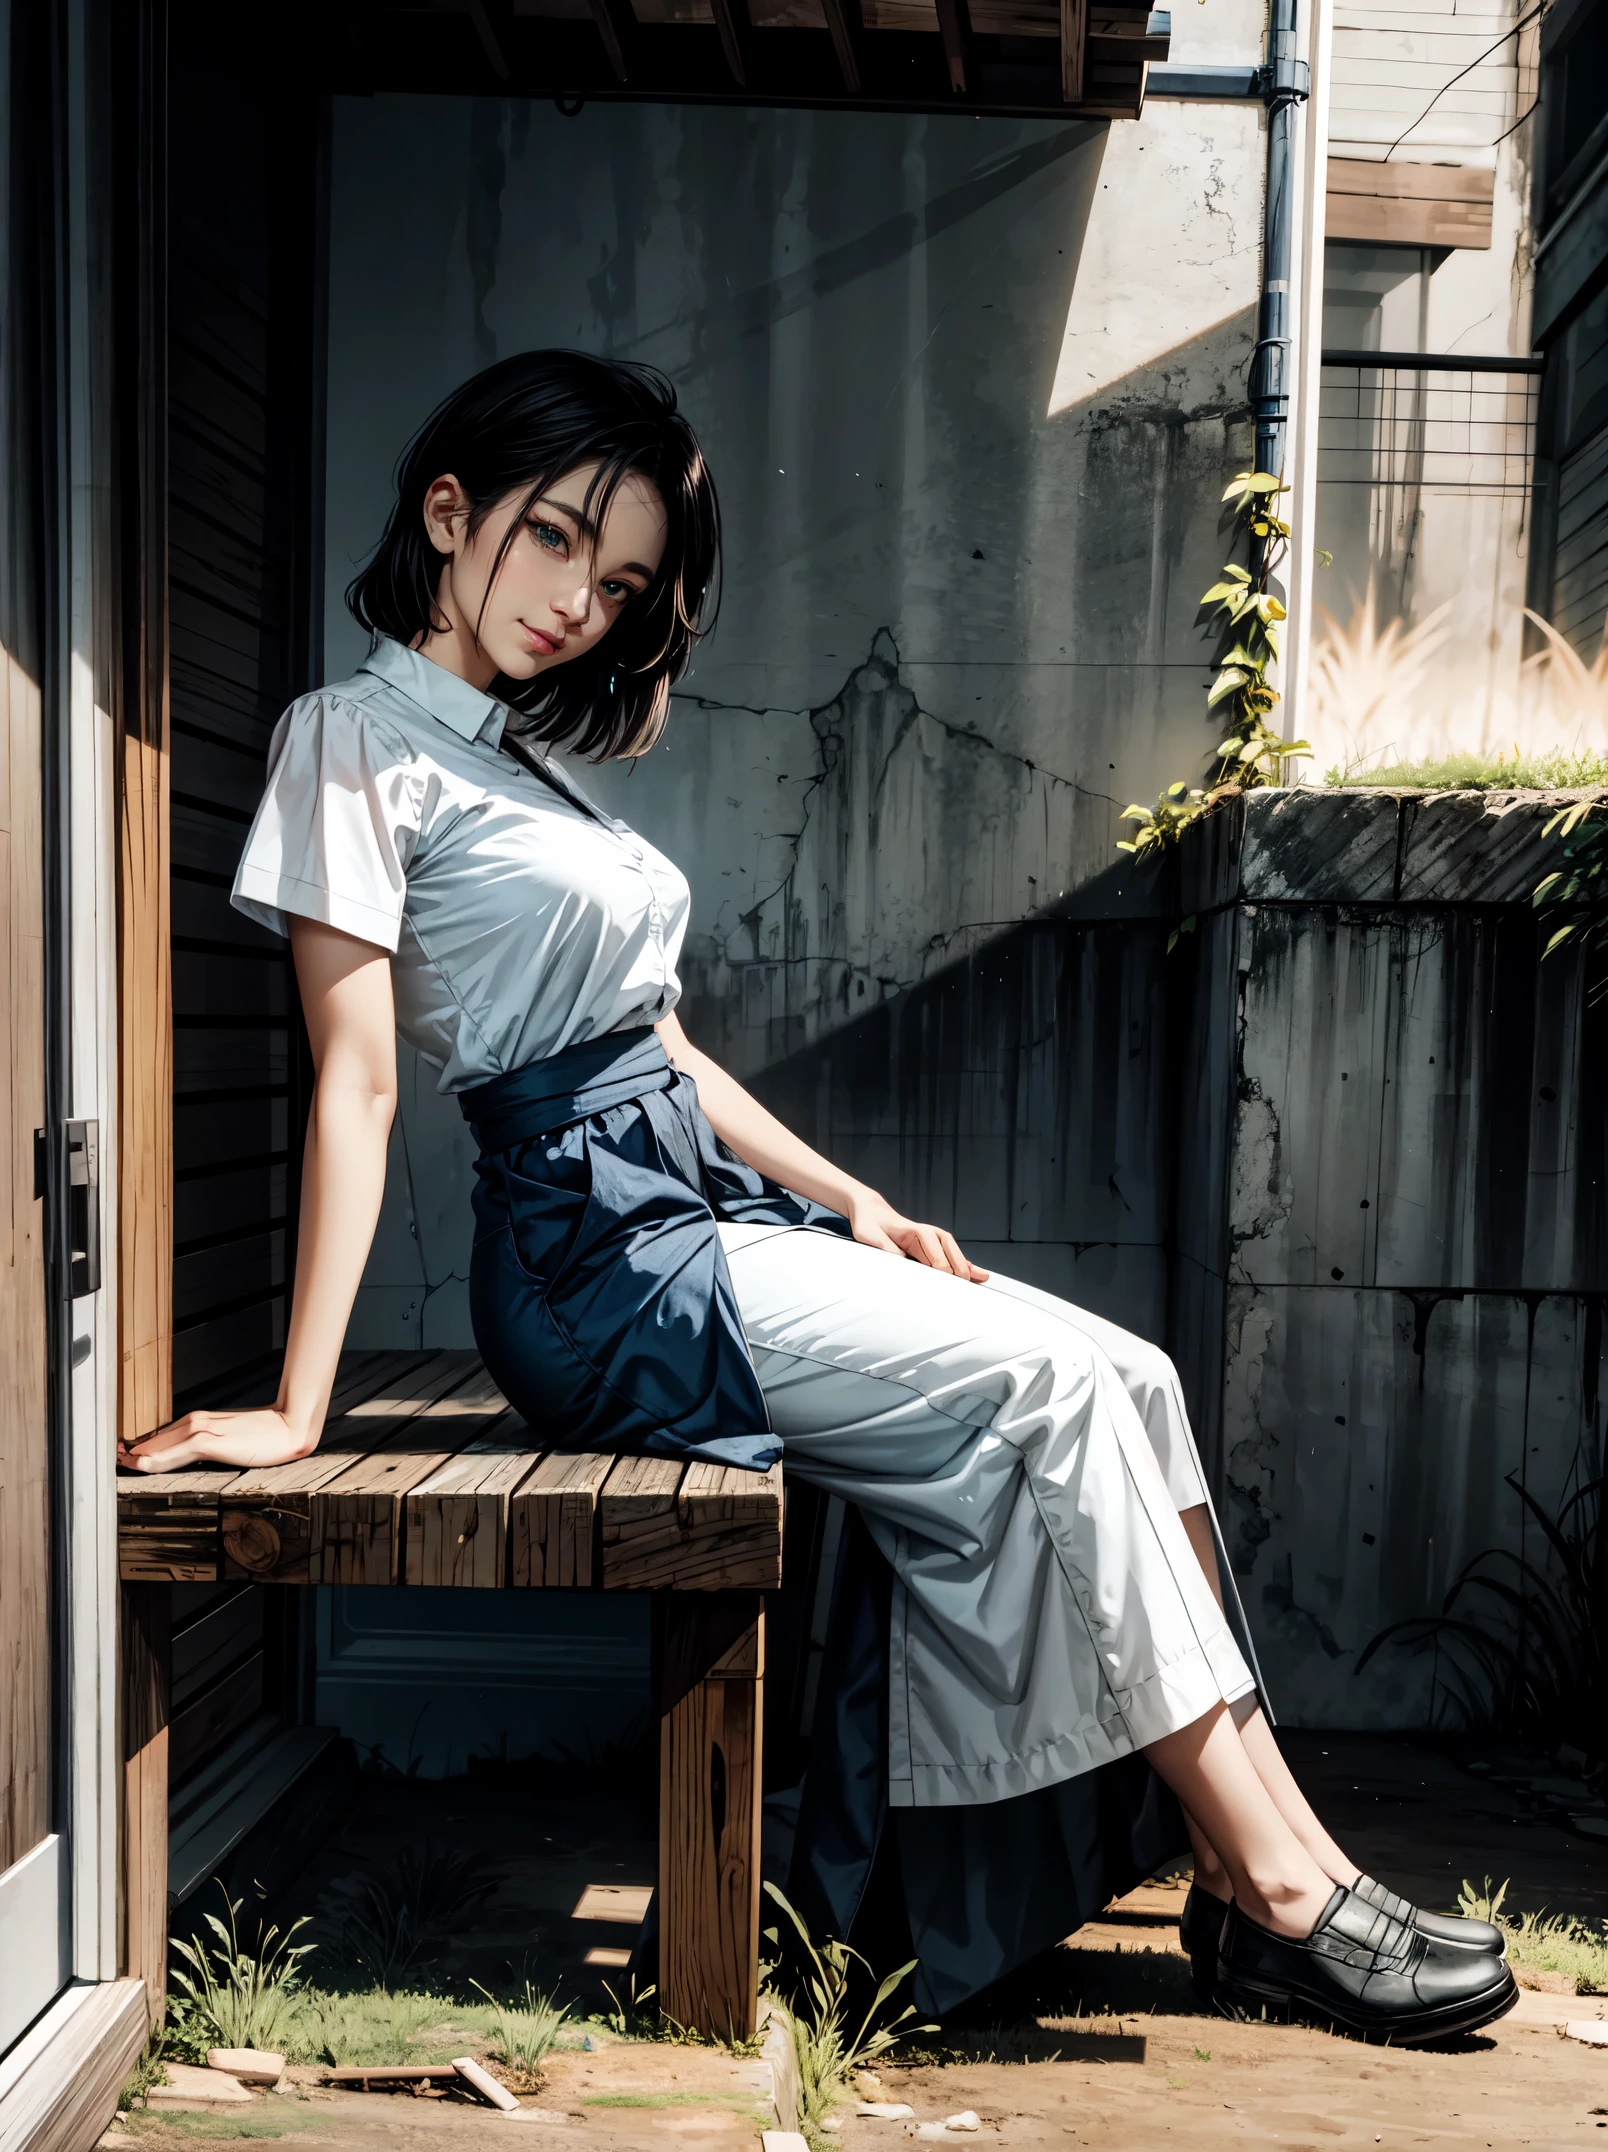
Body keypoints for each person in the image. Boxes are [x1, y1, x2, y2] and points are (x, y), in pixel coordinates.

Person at [121, 350, 1513, 2040]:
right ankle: (1290, 1891)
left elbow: (665, 1050)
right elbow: (357, 1076)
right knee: (1055, 1389)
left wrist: (852, 1194)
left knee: (1129, 1373)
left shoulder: (530, 769)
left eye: (619, 577)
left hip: (691, 1217)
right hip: (589, 1264)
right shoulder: (350, 741)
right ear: (447, 513)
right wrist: (295, 1404)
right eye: (554, 540)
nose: (579, 599)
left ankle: (1243, 1879)